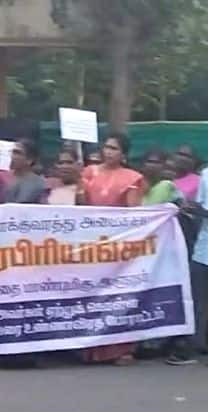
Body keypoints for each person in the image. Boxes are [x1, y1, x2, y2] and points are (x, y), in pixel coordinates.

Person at [78, 132, 145, 366]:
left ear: (124, 154)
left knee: (117, 296)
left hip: (118, 247)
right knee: (92, 294)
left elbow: (133, 215)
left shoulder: (133, 178)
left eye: (114, 148)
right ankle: (92, 349)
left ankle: (121, 349)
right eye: (106, 147)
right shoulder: (89, 172)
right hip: (91, 244)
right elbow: (81, 207)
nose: (108, 152)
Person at [167, 133, 208, 368]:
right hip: (204, 247)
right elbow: (200, 205)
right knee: (197, 300)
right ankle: (192, 347)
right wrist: (186, 207)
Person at [0, 139, 47, 204]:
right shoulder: (1, 177)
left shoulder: (39, 183)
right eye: (13, 152)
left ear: (30, 159)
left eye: (17, 153)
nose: (13, 156)